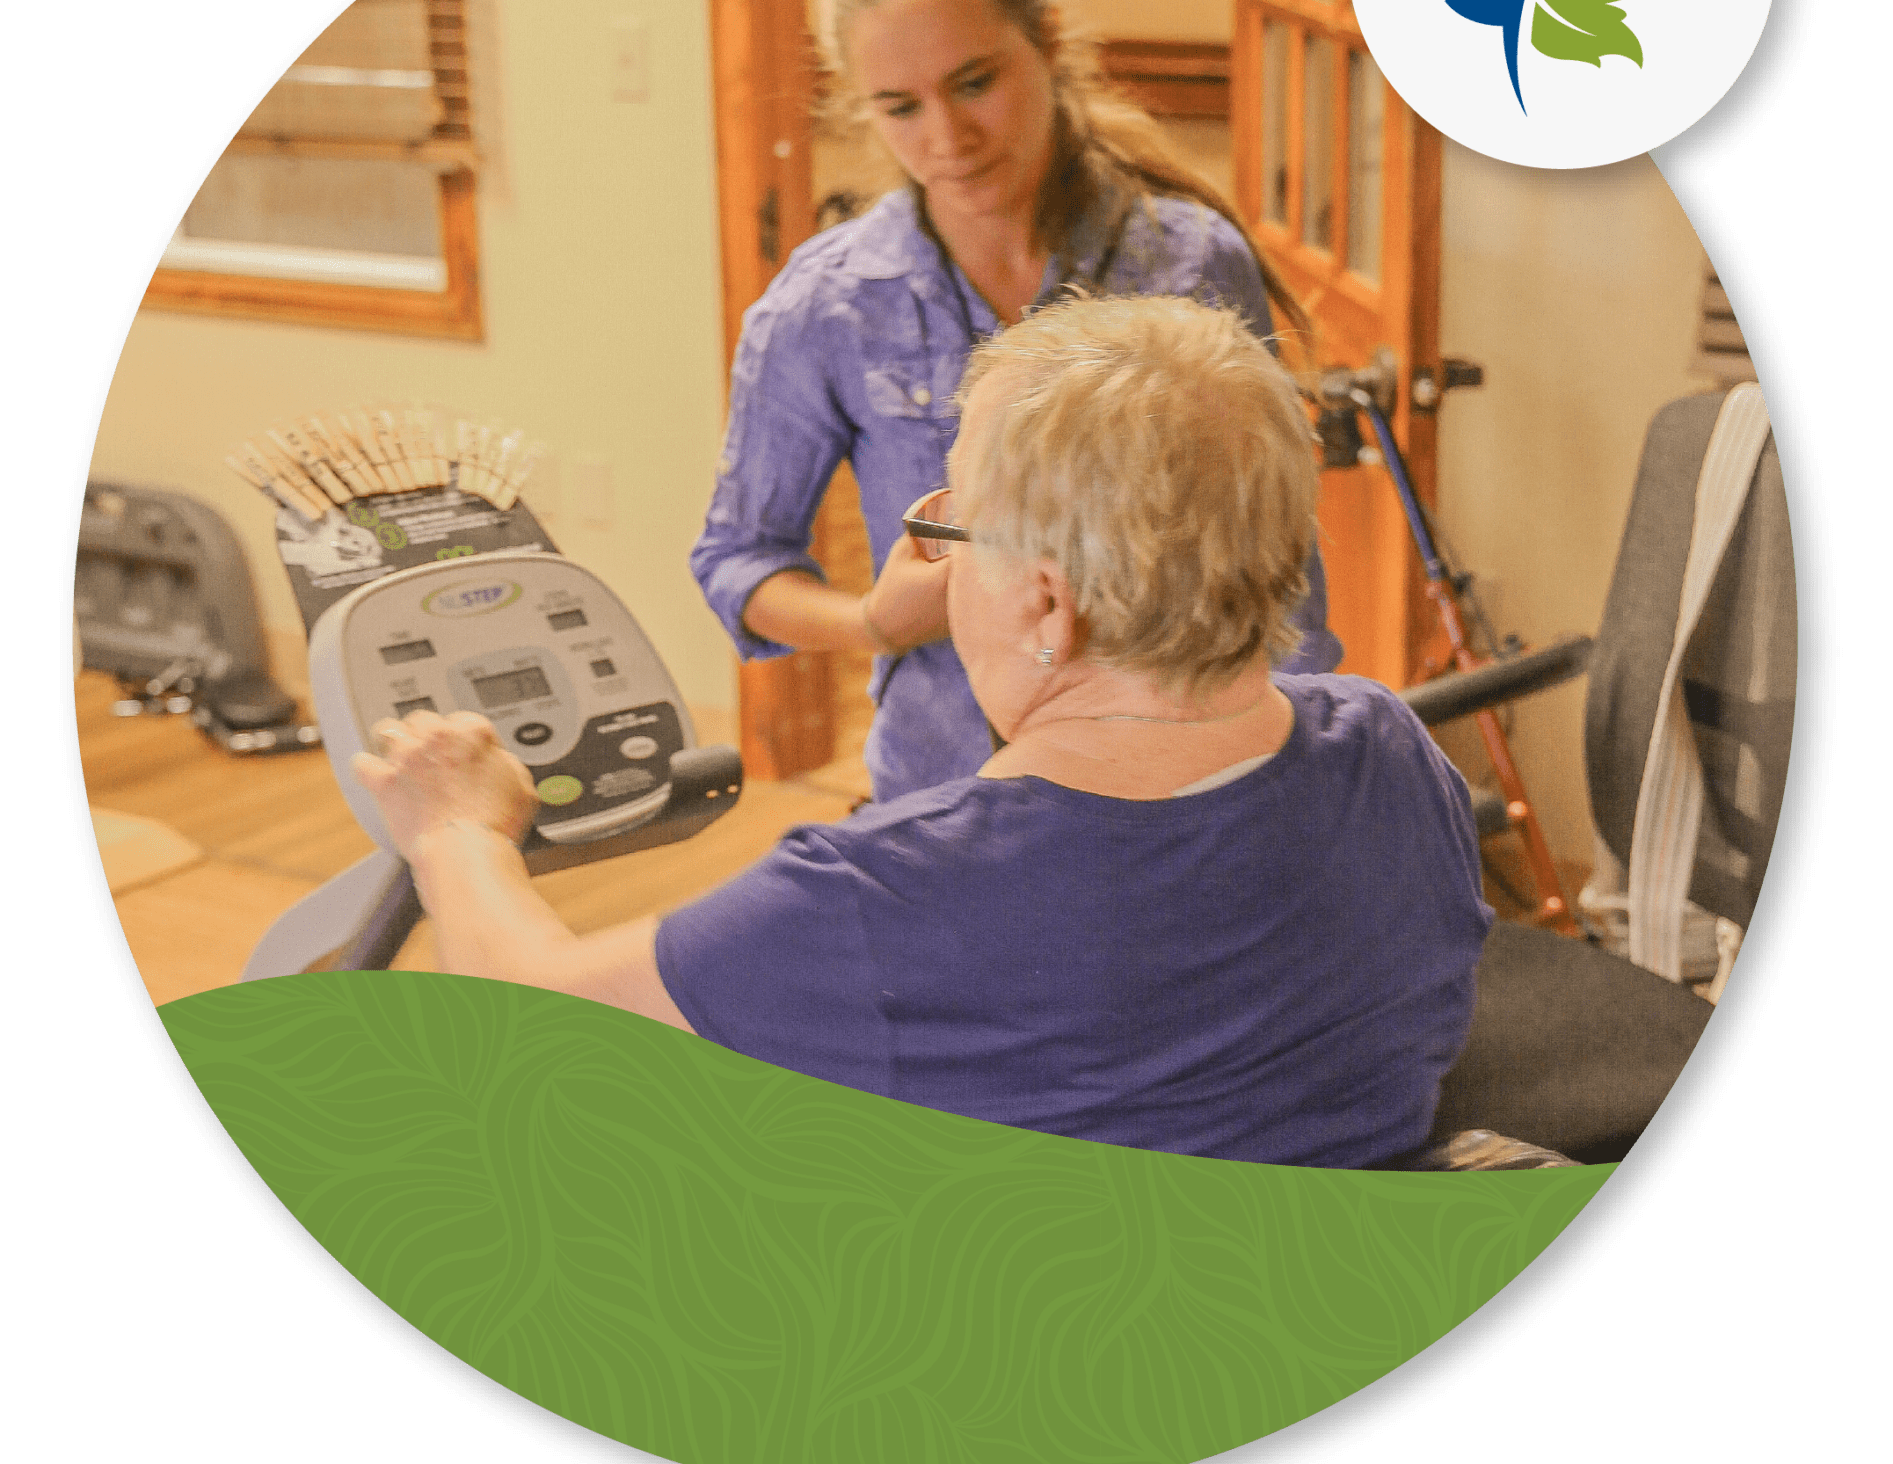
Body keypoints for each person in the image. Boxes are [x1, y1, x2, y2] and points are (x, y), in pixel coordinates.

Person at [357, 296, 1488, 1170]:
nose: (934, 558)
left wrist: (456, 833)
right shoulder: (1391, 748)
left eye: (951, 522)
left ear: (1046, 604)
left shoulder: (884, 894)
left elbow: (538, 1012)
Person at [691, 0, 1342, 803]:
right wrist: (876, 621)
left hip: (1193, 793)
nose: (948, 138)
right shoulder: (825, 307)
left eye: (973, 83)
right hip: (944, 795)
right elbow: (738, 560)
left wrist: (1295, 776)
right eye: (899, 106)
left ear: (1046, 38)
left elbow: (1282, 565)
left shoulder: (1189, 262)